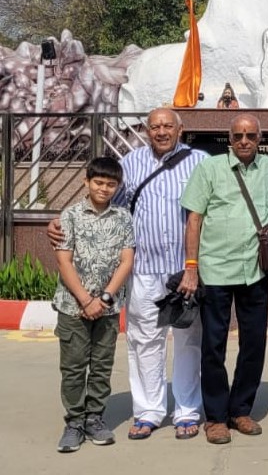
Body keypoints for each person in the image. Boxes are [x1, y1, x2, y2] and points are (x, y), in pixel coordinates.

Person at [47, 108, 208, 441]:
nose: (161, 131)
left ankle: (187, 411)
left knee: (188, 341)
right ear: (146, 130)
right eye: (155, 126)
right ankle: (148, 411)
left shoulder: (201, 161)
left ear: (181, 129)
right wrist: (61, 221)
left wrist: (196, 266)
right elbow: (104, 200)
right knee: (143, 340)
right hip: (144, 268)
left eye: (168, 126)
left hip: (186, 269)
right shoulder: (132, 162)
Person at [179, 113, 268, 444]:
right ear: (230, 138)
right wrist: (191, 266)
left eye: (250, 136)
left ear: (260, 138)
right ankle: (215, 417)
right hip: (215, 269)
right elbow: (194, 218)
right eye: (238, 135)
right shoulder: (210, 169)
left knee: (254, 343)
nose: (244, 141)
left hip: (255, 269)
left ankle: (240, 409)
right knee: (213, 344)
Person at [52, 157, 135, 453]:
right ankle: (74, 421)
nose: (104, 188)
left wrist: (105, 298)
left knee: (101, 366)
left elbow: (127, 261)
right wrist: (86, 300)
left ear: (118, 186)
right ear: (86, 182)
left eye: (110, 184)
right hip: (73, 307)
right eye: (98, 182)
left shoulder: (123, 217)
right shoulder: (70, 215)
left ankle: (95, 419)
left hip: (108, 308)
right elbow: (64, 261)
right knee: (74, 368)